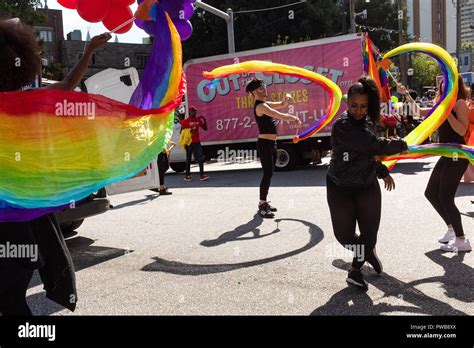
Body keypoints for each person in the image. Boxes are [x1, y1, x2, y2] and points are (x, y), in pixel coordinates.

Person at [0, 18, 111, 315]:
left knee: (10, 299)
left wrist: (88, 51)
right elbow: (67, 86)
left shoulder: (26, 103)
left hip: (17, 224)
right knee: (11, 299)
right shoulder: (28, 103)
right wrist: (87, 51)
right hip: (21, 224)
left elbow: (66, 86)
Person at [327, 77, 408, 290]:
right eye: (354, 106)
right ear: (347, 103)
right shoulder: (342, 127)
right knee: (344, 236)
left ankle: (355, 270)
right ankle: (367, 251)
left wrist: (381, 172)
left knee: (369, 232)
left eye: (364, 106)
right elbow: (372, 146)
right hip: (340, 187)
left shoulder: (368, 122)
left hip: (367, 185)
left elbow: (369, 155)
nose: (358, 111)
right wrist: (403, 144)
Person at [399, 79, 472, 252]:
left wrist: (447, 112)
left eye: (447, 84)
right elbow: (418, 113)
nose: (443, 87)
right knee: (431, 193)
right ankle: (452, 229)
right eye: (442, 84)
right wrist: (406, 94)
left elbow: (462, 131)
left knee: (446, 197)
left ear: (455, 86)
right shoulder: (441, 105)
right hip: (446, 154)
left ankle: (462, 240)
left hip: (457, 155)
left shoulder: (460, 103)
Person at [245, 79, 302, 218]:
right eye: (260, 88)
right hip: (264, 143)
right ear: (253, 92)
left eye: (264, 87)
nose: (264, 90)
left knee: (269, 173)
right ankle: (262, 204)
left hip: (271, 143)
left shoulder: (266, 104)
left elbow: (282, 105)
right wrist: (293, 118)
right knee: (267, 174)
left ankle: (264, 202)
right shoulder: (260, 107)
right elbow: (279, 115)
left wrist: (287, 99)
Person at [179, 106, 209, 182]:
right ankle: (187, 176)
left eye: (195, 111)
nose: (195, 112)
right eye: (193, 111)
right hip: (189, 143)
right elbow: (181, 132)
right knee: (188, 159)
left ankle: (202, 175)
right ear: (190, 112)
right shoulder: (186, 121)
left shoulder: (198, 119)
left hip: (197, 142)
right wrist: (189, 131)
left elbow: (205, 128)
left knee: (200, 158)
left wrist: (204, 120)